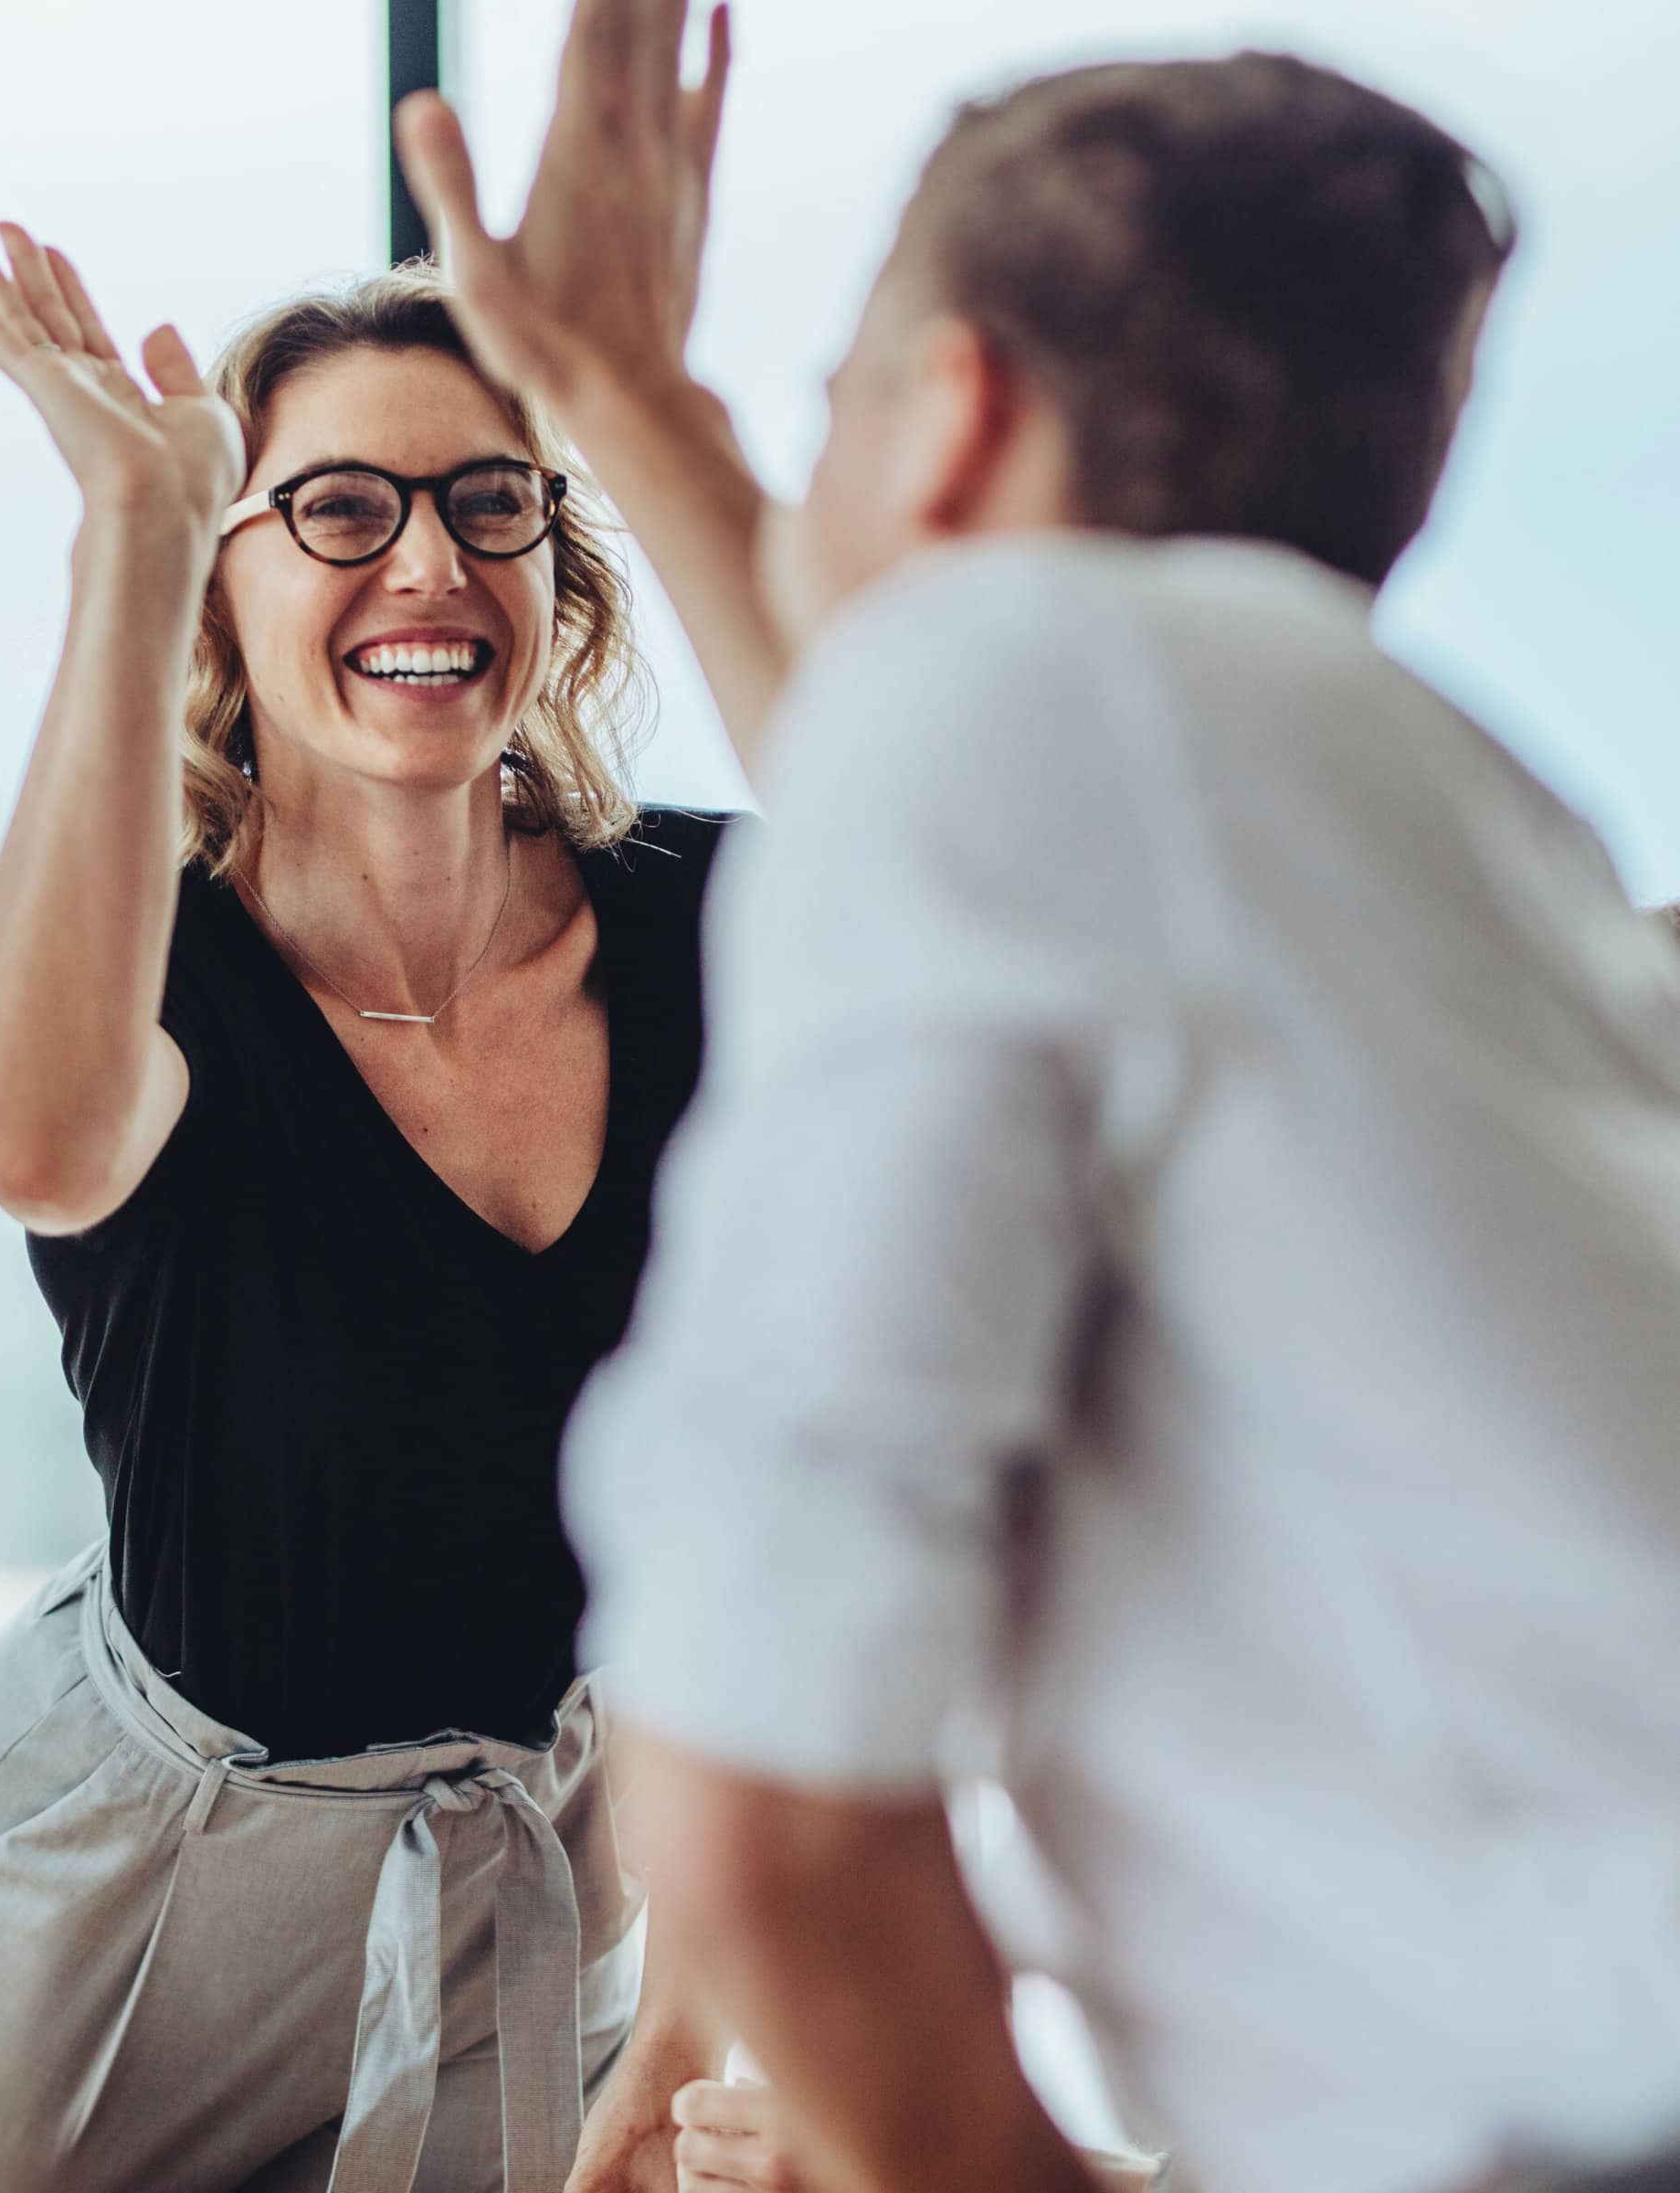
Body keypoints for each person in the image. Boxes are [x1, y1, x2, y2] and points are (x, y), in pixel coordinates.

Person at [400, 10, 1680, 2192]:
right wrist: (631, 393)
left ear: (957, 413)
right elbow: (951, 766)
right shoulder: (1422, 814)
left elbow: (763, 1783)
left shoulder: (1025, 698)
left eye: (821, 418)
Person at [0, 231, 744, 2192]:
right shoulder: (151, 972)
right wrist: (132, 527)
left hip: (536, 1862)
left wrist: (696, 2008)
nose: (425, 564)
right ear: (222, 587)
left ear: (551, 566)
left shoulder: (714, 929)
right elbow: (31, 1147)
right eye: (338, 509)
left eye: (485, 502)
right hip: (139, 1900)